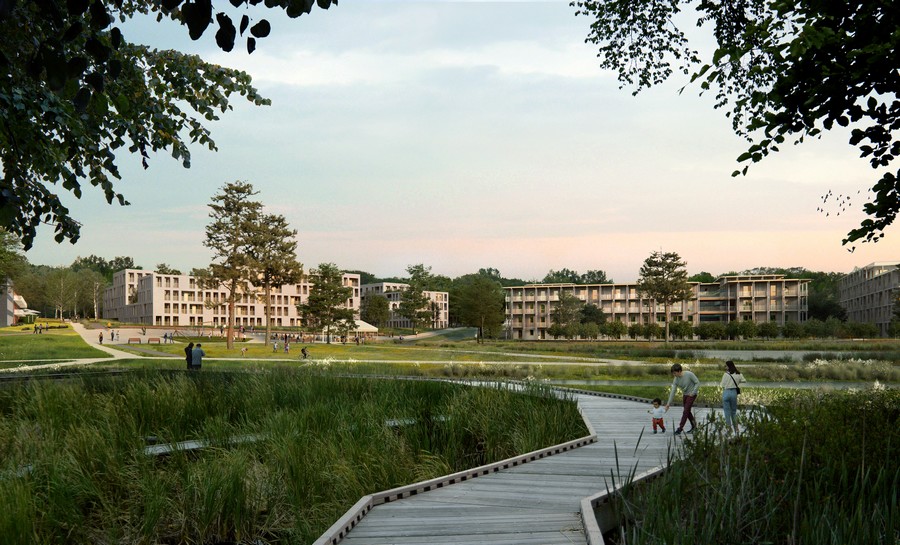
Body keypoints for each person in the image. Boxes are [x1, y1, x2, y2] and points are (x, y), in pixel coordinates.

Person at [665, 363, 700, 435]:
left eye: (675, 373)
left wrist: (693, 392)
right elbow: (673, 391)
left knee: (685, 411)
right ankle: (694, 426)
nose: (674, 375)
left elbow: (697, 383)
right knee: (687, 411)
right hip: (685, 395)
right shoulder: (676, 379)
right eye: (673, 373)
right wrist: (668, 404)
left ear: (679, 371)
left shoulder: (689, 374)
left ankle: (680, 428)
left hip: (692, 395)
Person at [720, 360, 746, 435]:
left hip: (726, 392)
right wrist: (737, 382)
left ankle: (729, 429)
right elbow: (744, 380)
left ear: (728, 366)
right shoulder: (738, 373)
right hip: (734, 393)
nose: (725, 367)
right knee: (733, 412)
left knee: (727, 412)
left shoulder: (725, 374)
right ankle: (736, 429)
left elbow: (722, 385)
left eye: (726, 366)